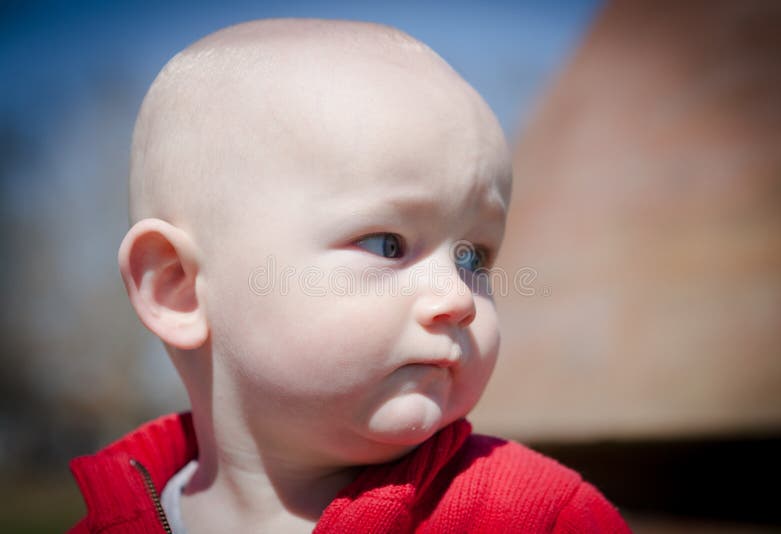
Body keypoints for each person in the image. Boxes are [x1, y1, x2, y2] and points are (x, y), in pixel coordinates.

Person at [68, 19, 631, 533]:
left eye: (473, 257)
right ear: (179, 287)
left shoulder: (531, 516)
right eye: (388, 244)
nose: (457, 298)